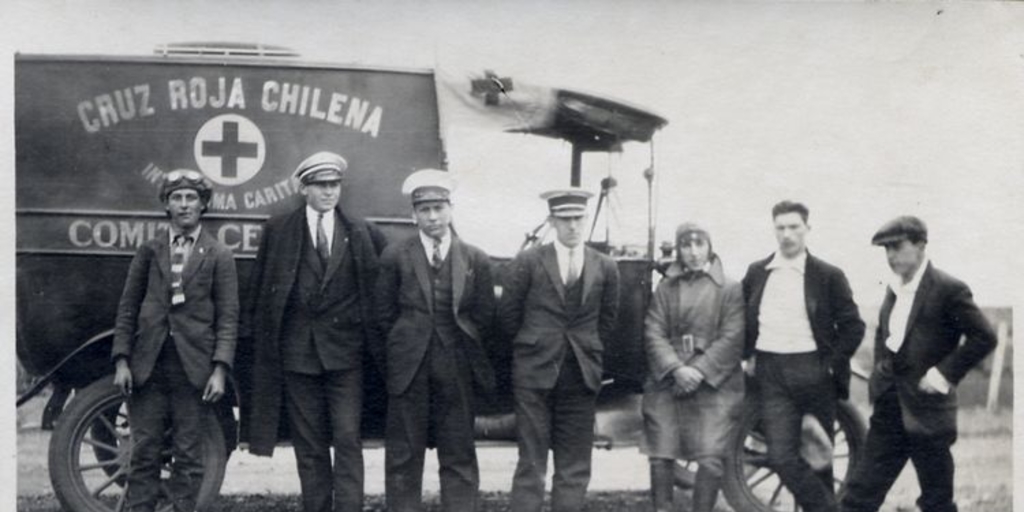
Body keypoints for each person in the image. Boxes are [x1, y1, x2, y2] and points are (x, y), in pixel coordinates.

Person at [243, 151, 386, 512]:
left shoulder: (361, 230)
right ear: (303, 188)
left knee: (348, 439)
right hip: (297, 355)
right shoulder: (278, 230)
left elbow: (377, 291)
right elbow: (261, 293)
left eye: (334, 185)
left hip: (346, 355)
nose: (329, 192)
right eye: (321, 185)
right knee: (309, 445)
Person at [841, 216, 996, 512]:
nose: (890, 256)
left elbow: (984, 337)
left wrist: (943, 374)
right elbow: (884, 336)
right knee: (859, 497)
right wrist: (880, 375)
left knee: (936, 503)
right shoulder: (894, 289)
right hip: (889, 411)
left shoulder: (949, 289)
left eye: (897, 247)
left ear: (921, 244)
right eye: (885, 249)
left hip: (929, 414)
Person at [111, 169, 238, 512]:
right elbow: (127, 307)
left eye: (191, 198)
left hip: (193, 372)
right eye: (176, 198)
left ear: (203, 205)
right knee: (145, 453)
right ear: (166, 205)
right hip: (148, 368)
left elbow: (228, 318)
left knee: (188, 455)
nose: (184, 205)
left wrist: (219, 370)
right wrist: (122, 360)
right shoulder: (149, 252)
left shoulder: (219, 255)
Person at [375, 169, 497, 512]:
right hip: (408, 371)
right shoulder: (396, 256)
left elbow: (485, 316)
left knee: (458, 453)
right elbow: (381, 317)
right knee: (404, 456)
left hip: (457, 368)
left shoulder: (475, 258)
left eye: (439, 208)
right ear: (414, 214)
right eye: (425, 210)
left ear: (450, 209)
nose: (432, 217)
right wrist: (402, 351)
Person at [500, 188, 620, 512]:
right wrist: (535, 347)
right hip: (534, 374)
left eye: (578, 218)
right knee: (531, 463)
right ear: (552, 220)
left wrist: (585, 351)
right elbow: (509, 316)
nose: (573, 226)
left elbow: (607, 321)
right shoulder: (529, 261)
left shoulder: (605, 267)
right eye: (565, 219)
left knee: (575, 465)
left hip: (581, 374)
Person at [741, 200, 865, 512]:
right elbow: (742, 319)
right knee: (782, 456)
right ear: (774, 230)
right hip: (771, 372)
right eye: (780, 227)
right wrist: (747, 355)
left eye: (794, 227)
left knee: (819, 458)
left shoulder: (827, 275)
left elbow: (853, 326)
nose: (787, 234)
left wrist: (831, 366)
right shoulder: (758, 272)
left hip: (814, 371)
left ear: (807, 229)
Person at [641, 223, 745, 512]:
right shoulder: (665, 288)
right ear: (679, 250)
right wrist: (676, 369)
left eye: (700, 244)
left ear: (710, 247)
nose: (694, 251)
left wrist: (698, 371)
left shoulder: (730, 289)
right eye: (686, 245)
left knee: (710, 456)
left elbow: (732, 336)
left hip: (714, 385)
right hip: (669, 382)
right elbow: (653, 330)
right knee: (661, 454)